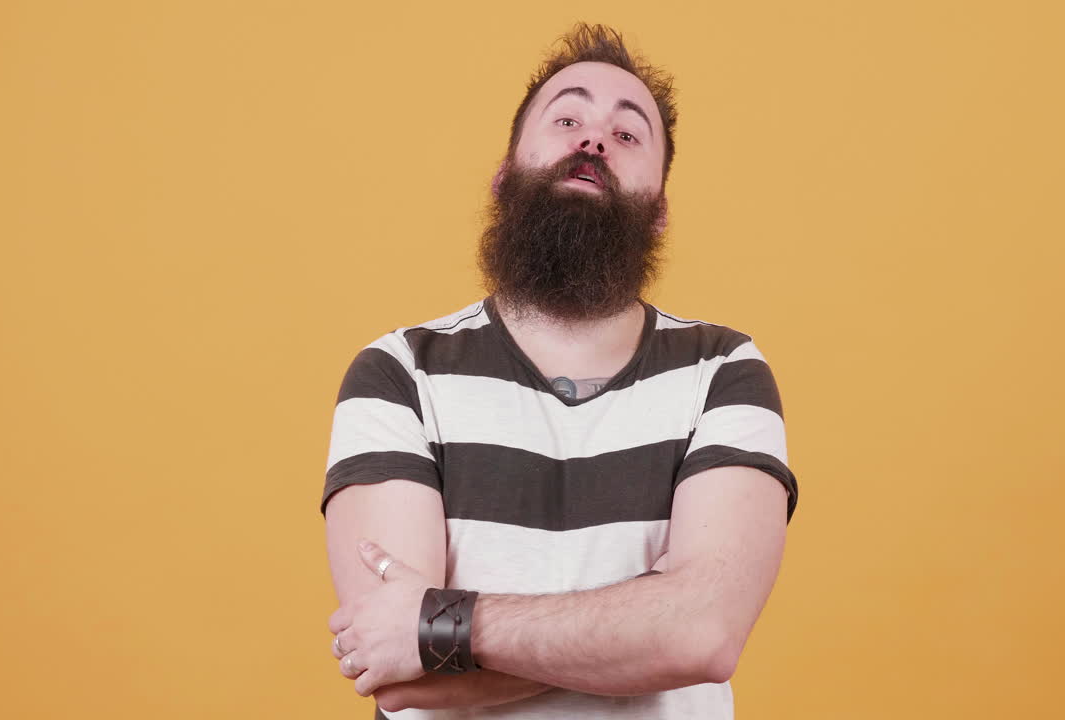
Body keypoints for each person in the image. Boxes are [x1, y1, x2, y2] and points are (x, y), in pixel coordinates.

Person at [320, 22, 798, 719]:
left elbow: (703, 633)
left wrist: (452, 624)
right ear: (505, 173)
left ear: (659, 210)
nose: (593, 140)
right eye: (568, 117)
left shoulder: (723, 371)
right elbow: (399, 676)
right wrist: (646, 613)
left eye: (628, 135)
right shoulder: (399, 373)